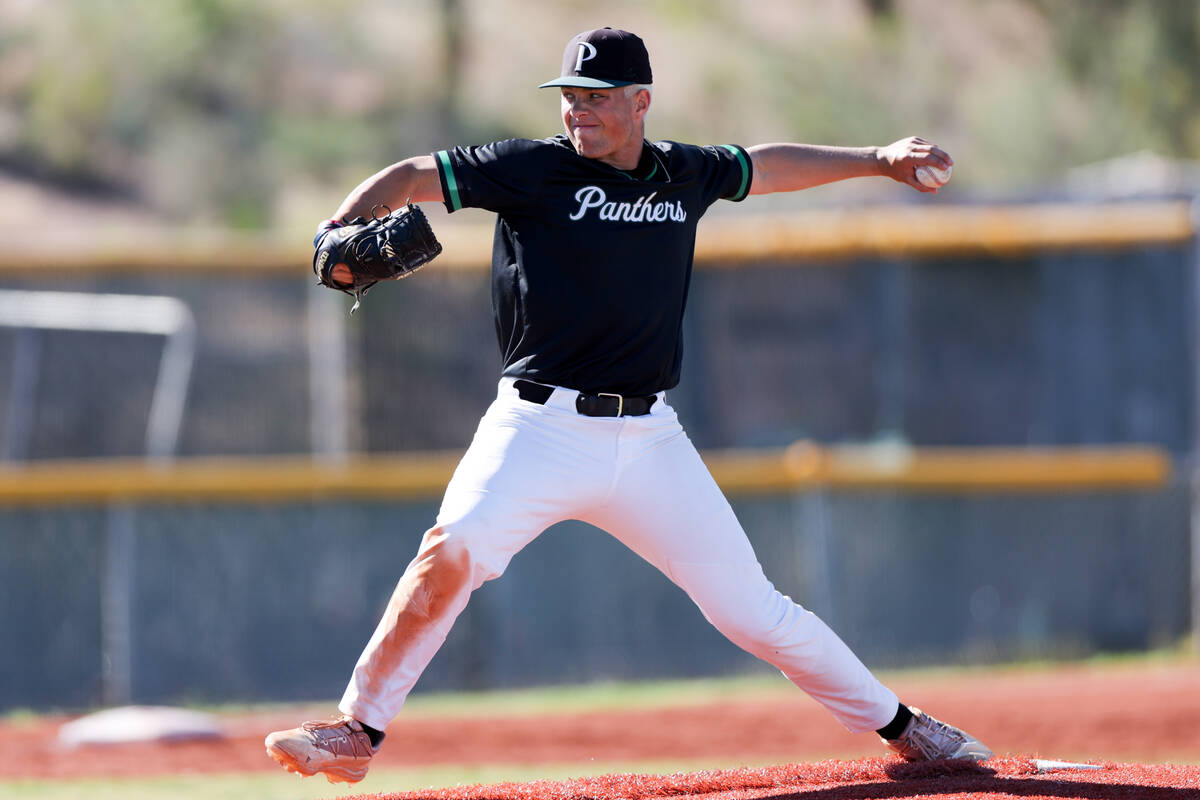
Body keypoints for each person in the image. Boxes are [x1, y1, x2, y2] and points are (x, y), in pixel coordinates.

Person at [265, 27, 988, 785]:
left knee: (752, 611)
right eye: (571, 98)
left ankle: (906, 728)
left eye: (597, 99)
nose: (579, 112)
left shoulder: (683, 173)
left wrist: (876, 160)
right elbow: (411, 174)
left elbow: (767, 167)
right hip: (536, 427)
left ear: (641, 101)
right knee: (453, 551)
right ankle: (357, 730)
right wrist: (336, 228)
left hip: (649, 439)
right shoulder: (532, 170)